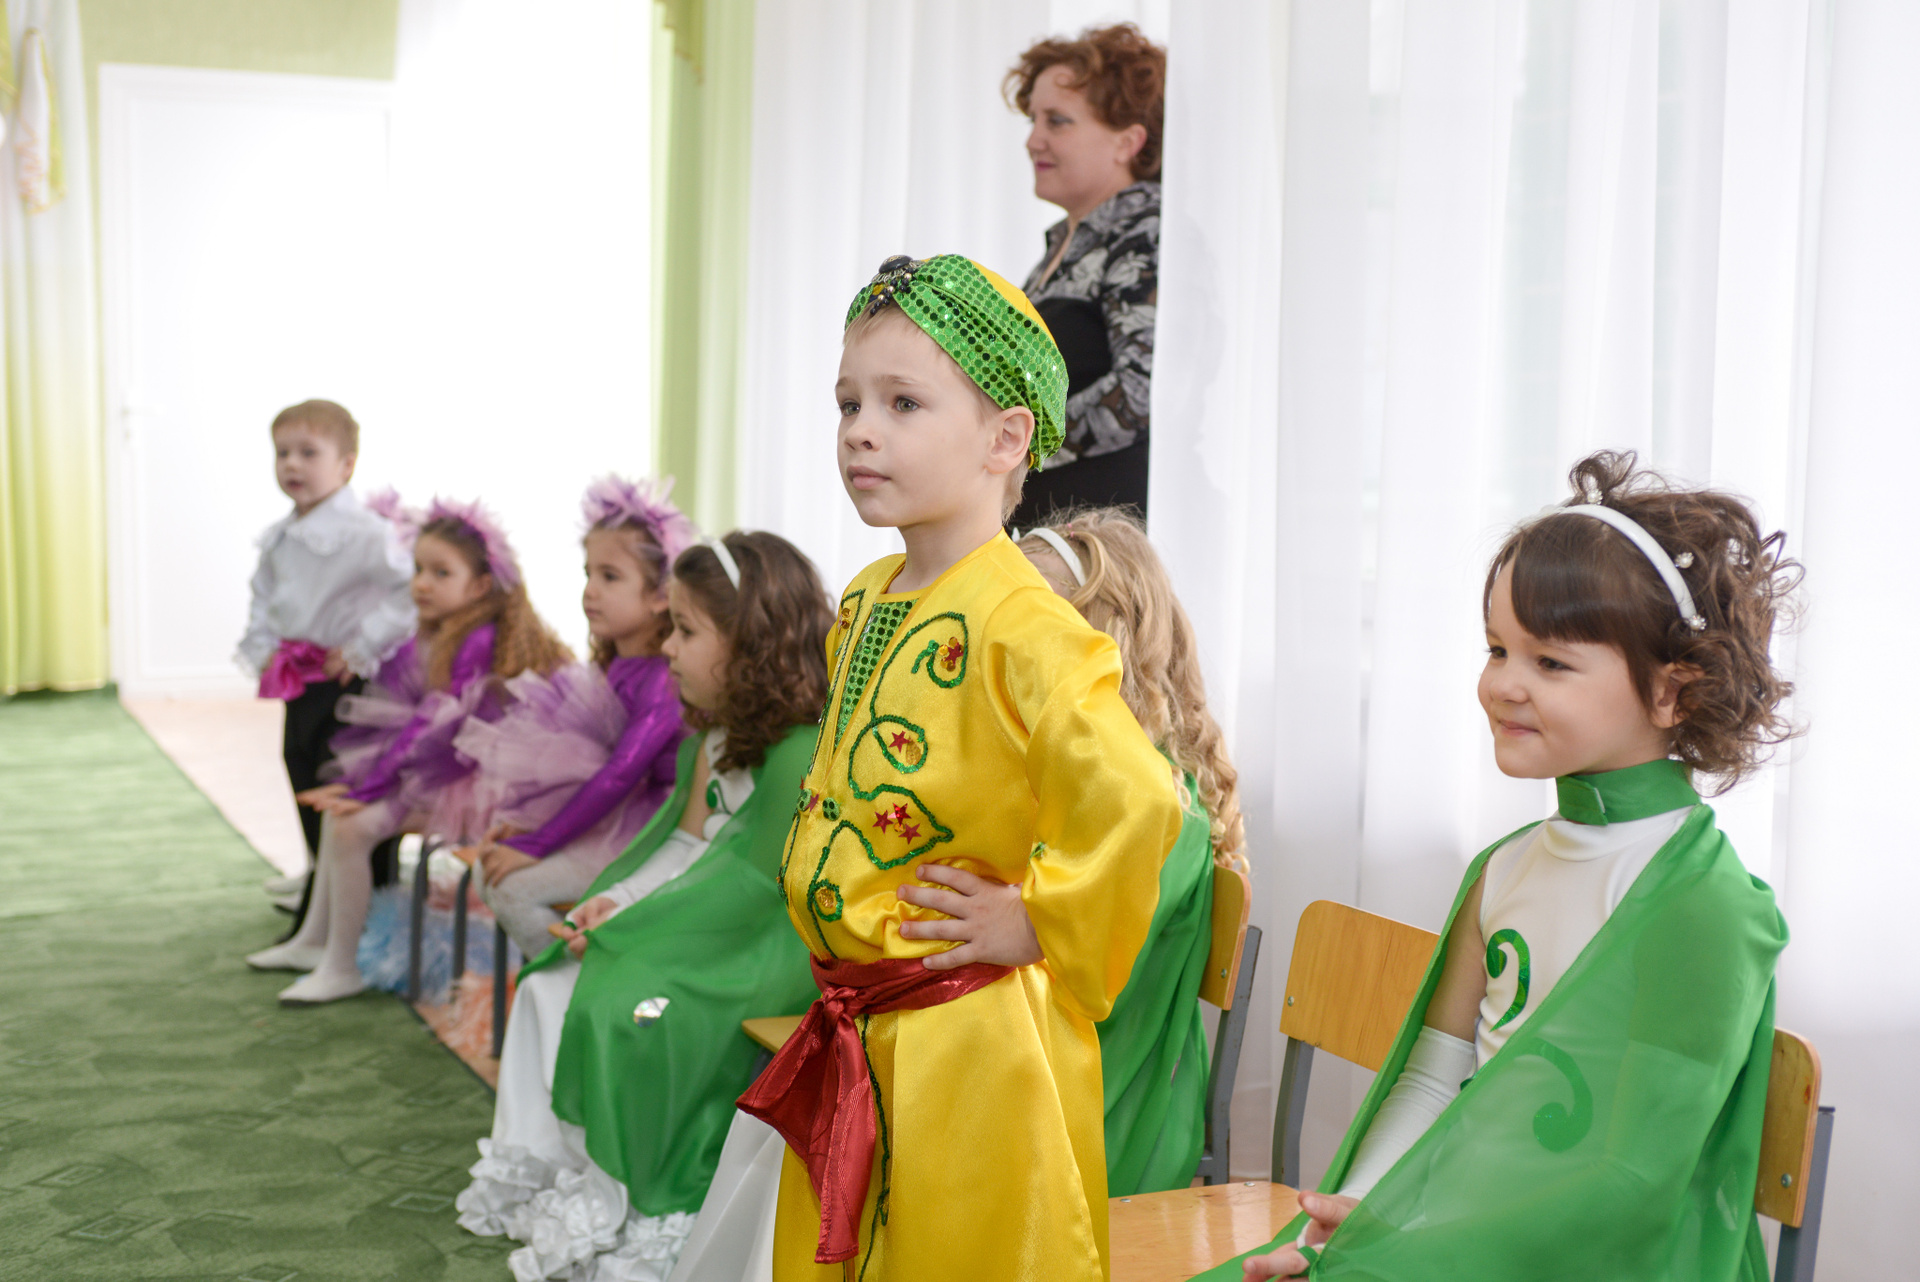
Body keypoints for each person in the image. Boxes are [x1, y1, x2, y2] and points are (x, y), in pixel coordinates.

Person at [1218, 451, 1797, 1282]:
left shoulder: (1710, 906)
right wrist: (1350, 1233)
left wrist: (1408, 1254)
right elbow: (1432, 1081)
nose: (1502, 686)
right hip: (1448, 1244)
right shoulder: (1505, 868)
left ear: (1674, 692)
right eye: (1497, 649)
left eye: (1550, 662)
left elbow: (1633, 1182)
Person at [739, 254, 1182, 1282]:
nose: (860, 429)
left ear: (1005, 438)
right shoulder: (868, 596)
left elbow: (1136, 797)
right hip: (864, 1019)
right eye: (849, 402)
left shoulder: (1027, 624)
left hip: (967, 1039)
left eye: (903, 403)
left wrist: (1038, 920)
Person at [455, 531, 831, 1282]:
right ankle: (564, 1173)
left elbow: (757, 891)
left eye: (686, 631)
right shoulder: (714, 737)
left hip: (756, 952)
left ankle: (646, 1197)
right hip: (701, 925)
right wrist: (615, 902)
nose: (668, 649)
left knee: (633, 1010)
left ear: (751, 642)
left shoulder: (799, 752)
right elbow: (684, 846)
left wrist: (636, 929)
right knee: (547, 983)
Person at [244, 498, 571, 1005]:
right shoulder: (435, 630)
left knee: (350, 825)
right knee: (339, 816)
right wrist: (362, 783)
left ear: (480, 586)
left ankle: (342, 965)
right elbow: (410, 718)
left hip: (484, 786)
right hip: (442, 769)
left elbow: (436, 725)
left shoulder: (477, 639)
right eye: (418, 569)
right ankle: (314, 939)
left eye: (441, 573)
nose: (422, 583)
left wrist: (371, 786)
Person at [1015, 509, 1247, 1194]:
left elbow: (1074, 983)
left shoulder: (1161, 807)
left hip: (1107, 1109)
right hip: (1047, 1074)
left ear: (1103, 643)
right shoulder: (1072, 777)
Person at [455, 475, 698, 957]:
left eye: (610, 577)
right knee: (491, 870)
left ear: (659, 595)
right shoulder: (615, 665)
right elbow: (588, 767)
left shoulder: (664, 677)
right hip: (619, 819)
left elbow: (620, 773)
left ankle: (574, 986)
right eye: (589, 573)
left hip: (657, 831)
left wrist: (539, 843)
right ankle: (570, 979)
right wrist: (532, 828)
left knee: (509, 885)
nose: (590, 591)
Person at [234, 399, 414, 914]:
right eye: (282, 453)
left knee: (342, 785)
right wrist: (263, 647)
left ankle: (364, 895)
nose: (291, 464)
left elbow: (407, 593)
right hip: (300, 679)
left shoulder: (365, 533)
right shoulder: (281, 535)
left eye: (308, 453)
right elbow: (264, 595)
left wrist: (361, 647)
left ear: (346, 465)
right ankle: (322, 876)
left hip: (346, 682)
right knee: (302, 767)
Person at [1003, 24, 1165, 527]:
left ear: (1127, 142)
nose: (1033, 139)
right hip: (1047, 530)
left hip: (1097, 542)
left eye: (1058, 121)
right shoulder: (1067, 245)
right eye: (1033, 119)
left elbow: (1139, 394)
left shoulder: (1144, 234)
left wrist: (1008, 447)